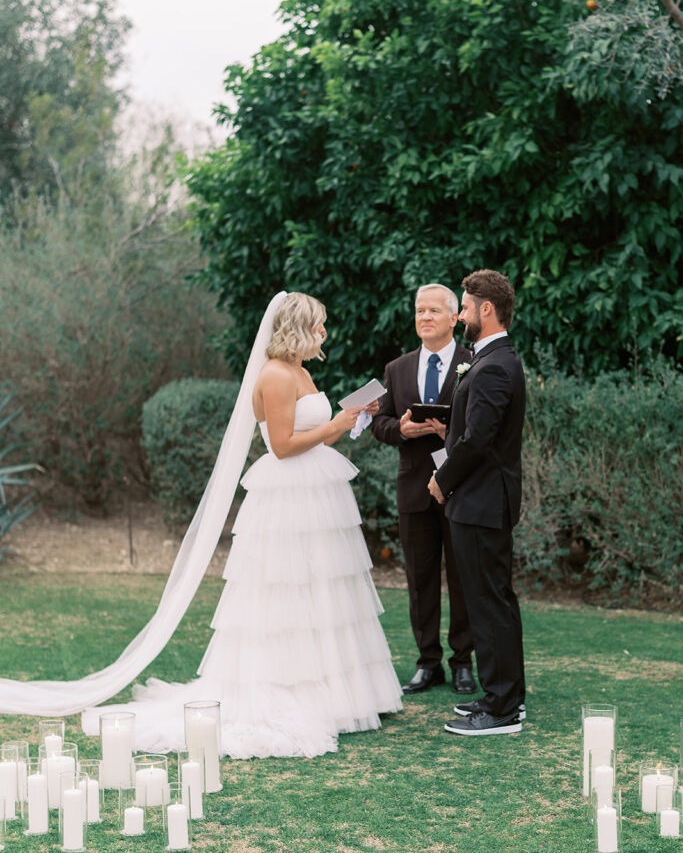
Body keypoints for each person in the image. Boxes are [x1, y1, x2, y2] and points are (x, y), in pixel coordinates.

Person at [0, 291, 402, 760]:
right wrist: (337, 424)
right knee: (286, 592)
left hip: (317, 492)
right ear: (297, 328)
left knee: (322, 590)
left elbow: (312, 435)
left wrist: (349, 422)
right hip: (288, 497)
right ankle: (290, 691)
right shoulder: (273, 374)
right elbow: (283, 445)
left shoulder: (303, 371)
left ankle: (339, 695)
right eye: (318, 326)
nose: (324, 335)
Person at [428, 270, 527, 737]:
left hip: (482, 502)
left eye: (464, 307)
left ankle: (503, 709)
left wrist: (442, 479)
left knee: (490, 604)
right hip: (482, 502)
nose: (459, 314)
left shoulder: (493, 366)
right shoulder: (493, 361)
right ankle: (502, 695)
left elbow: (477, 442)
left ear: (486, 310)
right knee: (492, 601)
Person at [371, 284, 475, 695]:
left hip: (460, 487)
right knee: (420, 580)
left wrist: (455, 431)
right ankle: (427, 662)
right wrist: (401, 428)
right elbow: (379, 423)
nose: (425, 317)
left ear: (454, 318)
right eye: (419, 310)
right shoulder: (396, 369)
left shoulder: (474, 362)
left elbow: (487, 424)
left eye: (434, 310)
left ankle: (463, 662)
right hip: (414, 488)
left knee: (463, 578)